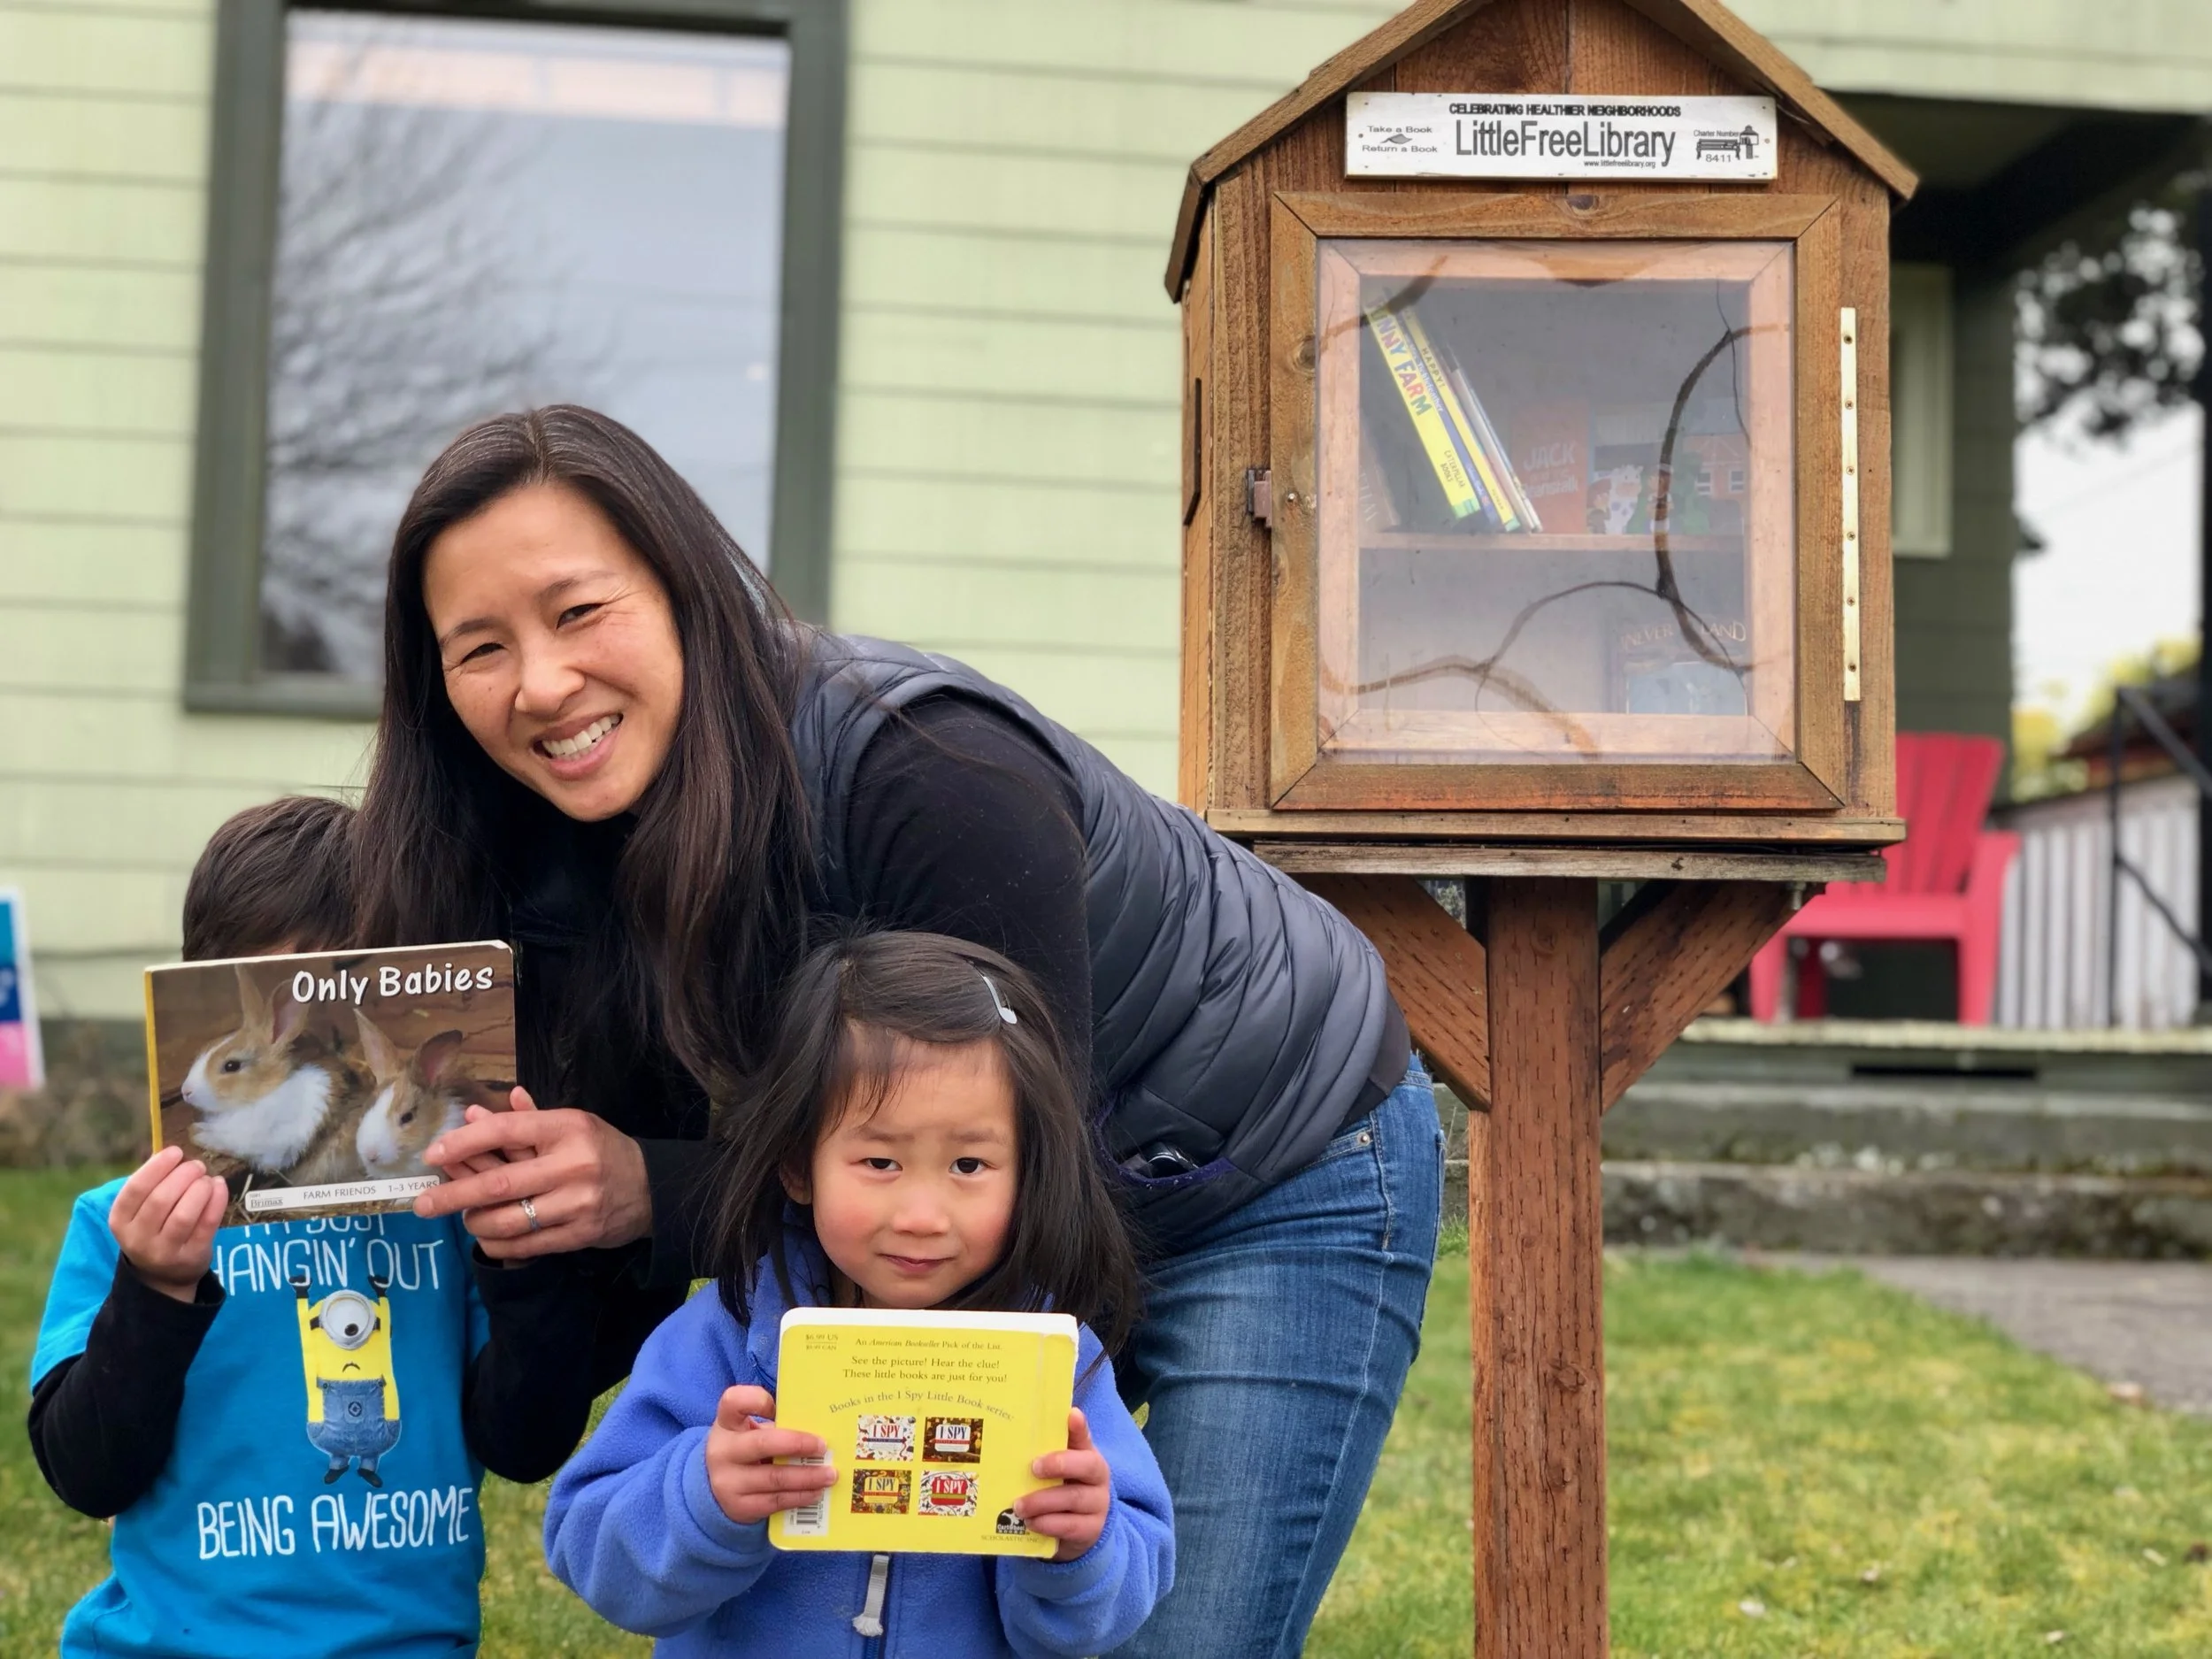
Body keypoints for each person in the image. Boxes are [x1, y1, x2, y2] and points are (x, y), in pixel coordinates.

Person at [360, 404, 1442, 1657]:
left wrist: (646, 1183)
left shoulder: (927, 773)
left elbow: (1017, 1166)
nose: (542, 684)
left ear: (687, 591)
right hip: (953, 1198)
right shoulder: (528, 859)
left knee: (1166, 1633)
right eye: (478, 646)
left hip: (1269, 1155)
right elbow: (554, 1414)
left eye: (579, 610)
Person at [27, 795, 592, 1658]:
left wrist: (515, 1258)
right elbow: (86, 1470)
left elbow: (526, 1444)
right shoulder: (125, 1223)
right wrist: (155, 1288)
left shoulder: (444, 1220)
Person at [544, 932, 1172, 1655]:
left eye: (969, 1163)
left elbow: (1112, 1606)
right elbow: (592, 1551)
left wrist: (1082, 1546)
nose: (922, 1214)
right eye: (880, 1160)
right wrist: (703, 1497)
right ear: (797, 1165)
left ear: (1028, 1172)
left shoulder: (1054, 1365)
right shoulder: (729, 1334)